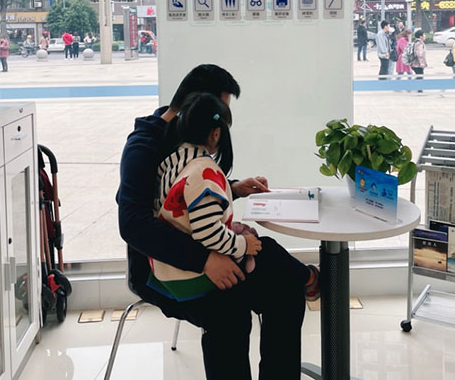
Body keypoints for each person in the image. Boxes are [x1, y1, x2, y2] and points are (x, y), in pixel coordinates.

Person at [117, 64, 318, 380]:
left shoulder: (185, 135)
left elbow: (186, 199)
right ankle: (310, 278)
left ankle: (302, 283)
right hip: (164, 270)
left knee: (284, 288)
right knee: (230, 312)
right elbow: (132, 225)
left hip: (208, 246)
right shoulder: (143, 146)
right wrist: (205, 260)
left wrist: (234, 188)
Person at [410, 29, 428, 94]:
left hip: (415, 63)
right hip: (417, 64)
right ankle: (419, 89)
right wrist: (421, 63)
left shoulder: (416, 42)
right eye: (424, 35)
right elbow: (419, 54)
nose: (425, 36)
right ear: (421, 36)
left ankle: (411, 86)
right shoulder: (419, 43)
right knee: (420, 76)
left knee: (419, 76)